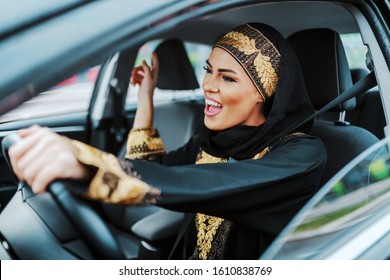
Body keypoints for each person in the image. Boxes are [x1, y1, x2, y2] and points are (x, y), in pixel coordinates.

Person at [8, 23, 327, 259]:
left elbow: (202, 183)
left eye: (227, 78)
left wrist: (89, 166)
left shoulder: (303, 154)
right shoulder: (215, 140)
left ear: (264, 92)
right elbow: (149, 170)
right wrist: (145, 99)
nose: (208, 86)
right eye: (209, 71)